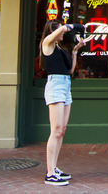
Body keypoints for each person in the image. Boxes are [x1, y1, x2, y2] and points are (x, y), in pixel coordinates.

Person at [39, 19, 85, 186]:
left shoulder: (59, 49)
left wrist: (75, 51)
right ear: (53, 31)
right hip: (55, 86)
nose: (63, 33)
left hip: (65, 85)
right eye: (60, 30)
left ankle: (54, 167)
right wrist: (73, 26)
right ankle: (50, 174)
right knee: (56, 130)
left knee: (62, 130)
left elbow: (70, 71)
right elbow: (63, 29)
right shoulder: (47, 43)